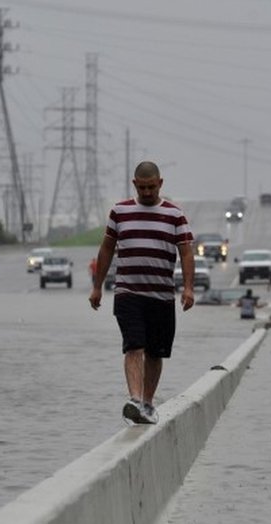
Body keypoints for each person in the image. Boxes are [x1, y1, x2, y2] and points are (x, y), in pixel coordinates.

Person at [89, 161, 195, 425]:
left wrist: (189, 288)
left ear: (160, 183)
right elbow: (106, 249)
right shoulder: (119, 212)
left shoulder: (174, 215)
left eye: (152, 187)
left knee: (156, 353)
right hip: (128, 292)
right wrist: (97, 287)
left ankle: (148, 403)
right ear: (134, 184)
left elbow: (186, 253)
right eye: (142, 187)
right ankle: (135, 400)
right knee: (134, 345)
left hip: (162, 295)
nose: (147, 192)